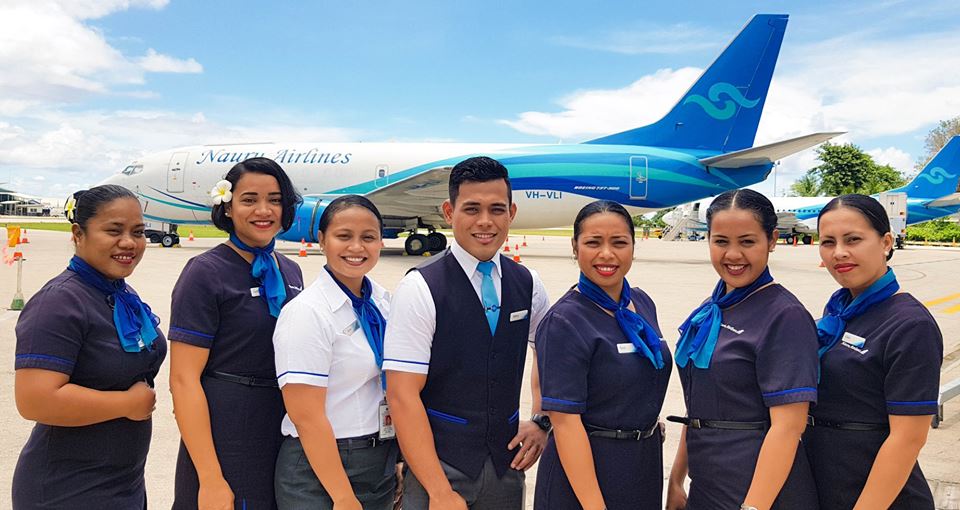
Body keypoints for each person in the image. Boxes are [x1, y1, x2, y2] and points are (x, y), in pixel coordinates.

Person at [384, 156, 551, 510]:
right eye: (472, 209)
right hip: (439, 467)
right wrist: (438, 490)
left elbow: (550, 357)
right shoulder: (420, 287)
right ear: (449, 212)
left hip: (506, 469)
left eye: (497, 209)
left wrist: (541, 420)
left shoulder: (528, 283)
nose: (485, 221)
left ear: (512, 213)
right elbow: (401, 395)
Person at [12, 185, 166, 509]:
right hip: (67, 487)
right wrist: (126, 404)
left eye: (138, 232)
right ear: (78, 234)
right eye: (114, 231)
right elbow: (34, 400)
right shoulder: (60, 302)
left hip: (122, 481)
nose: (129, 242)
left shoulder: (119, 294)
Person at [666, 188, 819, 510]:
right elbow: (698, 405)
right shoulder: (712, 309)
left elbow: (789, 427)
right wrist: (677, 480)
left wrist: (753, 507)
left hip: (756, 488)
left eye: (747, 242)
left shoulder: (784, 315)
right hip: (708, 482)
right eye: (721, 241)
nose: (733, 255)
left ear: (772, 240)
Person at [169, 157, 304, 510]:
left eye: (275, 200)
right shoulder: (204, 272)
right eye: (249, 200)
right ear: (228, 207)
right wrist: (210, 478)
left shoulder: (290, 270)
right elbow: (183, 380)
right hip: (228, 426)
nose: (264, 210)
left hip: (280, 425)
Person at [804, 194, 942, 509]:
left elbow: (908, 439)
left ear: (886, 243)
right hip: (826, 485)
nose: (839, 252)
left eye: (853, 239)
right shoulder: (837, 314)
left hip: (878, 498)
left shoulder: (909, 325)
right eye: (828, 242)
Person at [533, 200, 672, 510]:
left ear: (633, 247)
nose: (607, 254)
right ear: (575, 247)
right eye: (593, 243)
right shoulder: (565, 321)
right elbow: (565, 424)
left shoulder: (642, 303)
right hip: (587, 473)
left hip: (642, 464)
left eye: (619, 243)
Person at [273, 195, 398, 509]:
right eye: (344, 236)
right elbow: (306, 416)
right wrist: (342, 496)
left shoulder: (383, 303)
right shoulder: (307, 313)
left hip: (378, 460)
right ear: (321, 240)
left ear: (380, 242)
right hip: (319, 470)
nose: (357, 247)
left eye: (368, 237)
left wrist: (397, 456)